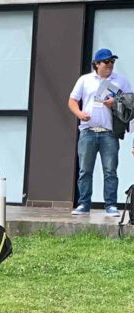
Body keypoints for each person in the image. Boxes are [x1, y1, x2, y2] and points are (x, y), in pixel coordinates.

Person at [68, 48, 131, 217]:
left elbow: (130, 102)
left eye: (112, 62)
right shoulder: (85, 80)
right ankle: (83, 204)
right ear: (96, 64)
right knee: (85, 171)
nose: (110, 65)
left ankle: (111, 205)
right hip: (87, 131)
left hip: (109, 133)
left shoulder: (120, 80)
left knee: (110, 171)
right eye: (106, 62)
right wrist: (79, 114)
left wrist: (115, 102)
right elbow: (72, 100)